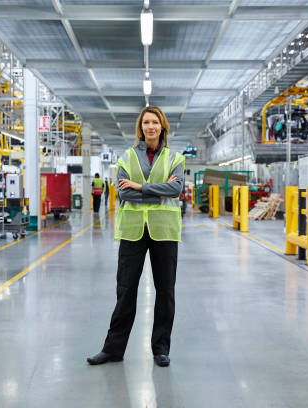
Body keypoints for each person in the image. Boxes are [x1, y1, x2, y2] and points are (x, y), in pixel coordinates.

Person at [87, 106, 185, 368]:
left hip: (164, 230)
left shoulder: (175, 157)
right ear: (140, 128)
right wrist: (158, 190)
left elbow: (176, 189)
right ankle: (113, 349)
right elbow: (123, 194)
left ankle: (161, 349)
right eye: (146, 123)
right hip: (133, 230)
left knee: (166, 291)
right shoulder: (127, 157)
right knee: (125, 290)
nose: (150, 127)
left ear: (162, 126)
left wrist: (141, 186)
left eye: (154, 122)